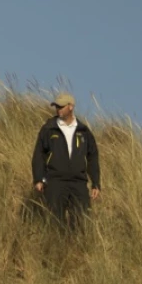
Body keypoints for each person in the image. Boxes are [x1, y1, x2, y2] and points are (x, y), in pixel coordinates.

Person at [31, 93, 100, 228]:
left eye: (61, 106)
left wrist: (96, 183)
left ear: (71, 107)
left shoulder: (83, 131)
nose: (58, 109)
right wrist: (38, 178)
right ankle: (57, 248)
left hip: (79, 182)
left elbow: (92, 156)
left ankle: (78, 249)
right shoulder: (49, 129)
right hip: (55, 182)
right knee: (54, 223)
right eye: (56, 106)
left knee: (82, 222)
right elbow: (39, 154)